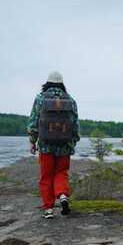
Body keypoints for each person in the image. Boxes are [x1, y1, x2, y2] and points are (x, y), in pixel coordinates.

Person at [27, 71, 80, 219]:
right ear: (62, 84)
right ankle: (63, 195)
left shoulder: (40, 99)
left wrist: (33, 141)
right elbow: (75, 125)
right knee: (61, 172)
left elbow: (33, 123)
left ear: (47, 83)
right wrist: (72, 142)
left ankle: (48, 209)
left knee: (46, 176)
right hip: (64, 145)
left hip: (45, 144)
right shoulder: (71, 100)